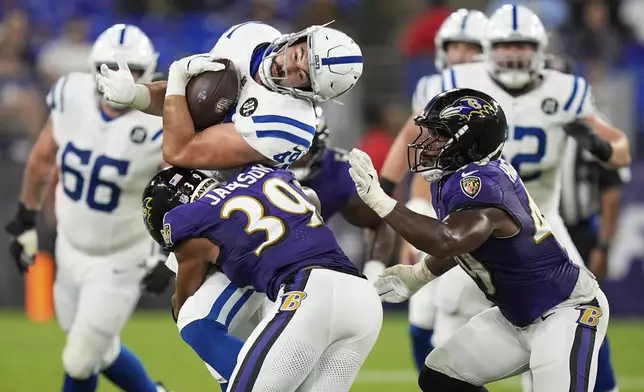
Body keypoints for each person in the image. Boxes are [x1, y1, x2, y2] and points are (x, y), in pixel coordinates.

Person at [380, 4, 631, 388]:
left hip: (541, 220)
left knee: (560, 343)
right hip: (501, 248)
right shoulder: (458, 100)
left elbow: (619, 151)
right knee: (441, 355)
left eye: (523, 45)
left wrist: (382, 202)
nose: (513, 54)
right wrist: (417, 268)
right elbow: (412, 143)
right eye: (503, 44)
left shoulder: (562, 92)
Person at [350, 87, 609, 391]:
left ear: (472, 143)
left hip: (565, 310)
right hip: (517, 317)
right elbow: (467, 241)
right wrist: (418, 276)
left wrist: (380, 200)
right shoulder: (458, 174)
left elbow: (448, 240)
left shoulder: (484, 185)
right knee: (442, 376)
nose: (429, 142)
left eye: (441, 135)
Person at [4, 24, 172, 392]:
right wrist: (25, 220)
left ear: (151, 72)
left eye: (133, 72)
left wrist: (169, 255)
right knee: (99, 349)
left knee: (80, 359)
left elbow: (181, 193)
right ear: (93, 66)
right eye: (110, 69)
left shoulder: (160, 122)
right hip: (70, 247)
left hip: (121, 257)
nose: (120, 80)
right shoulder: (71, 93)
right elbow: (43, 158)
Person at [142, 164, 383, 391]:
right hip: (363, 301)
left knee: (194, 321)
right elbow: (312, 198)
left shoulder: (193, 224)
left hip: (310, 292)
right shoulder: (263, 175)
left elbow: (182, 305)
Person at [96, 21, 363, 170]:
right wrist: (137, 94)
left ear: (308, 93)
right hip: (195, 174)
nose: (288, 66)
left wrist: (178, 74)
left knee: (168, 191)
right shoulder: (252, 35)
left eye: (301, 75)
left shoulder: (289, 125)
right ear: (299, 38)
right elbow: (191, 103)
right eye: (298, 54)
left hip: (229, 208)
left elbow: (179, 152)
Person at [393, 8, 490, 371]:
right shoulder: (433, 93)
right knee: (422, 313)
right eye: (456, 47)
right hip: (443, 206)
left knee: (455, 313)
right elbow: (424, 163)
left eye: (471, 47)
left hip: (486, 211)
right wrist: (417, 209)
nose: (462, 56)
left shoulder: (499, 102)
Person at [289, 105, 395, 280]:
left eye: (304, 146)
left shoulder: (336, 171)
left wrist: (374, 271)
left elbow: (380, 219)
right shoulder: (248, 160)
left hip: (304, 266)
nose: (298, 156)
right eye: (289, 144)